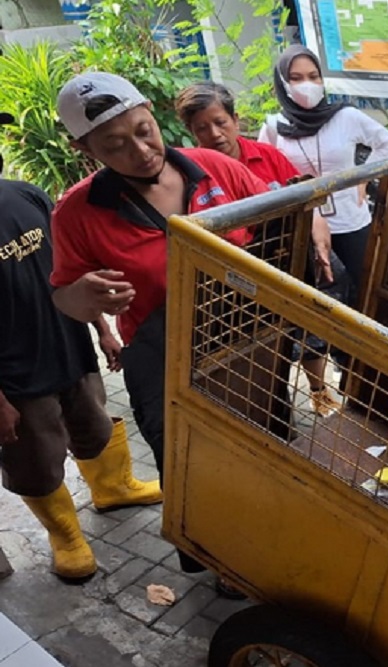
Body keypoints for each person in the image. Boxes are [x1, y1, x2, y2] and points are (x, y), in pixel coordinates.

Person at [48, 72, 272, 579]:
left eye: (144, 129)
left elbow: (280, 212)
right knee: (190, 461)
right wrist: (83, 298)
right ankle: (222, 562)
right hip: (163, 351)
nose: (141, 150)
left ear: (152, 111)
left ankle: (267, 537)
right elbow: (65, 296)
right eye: (116, 145)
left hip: (247, 333)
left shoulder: (213, 168)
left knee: (262, 445)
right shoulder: (77, 214)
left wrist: (318, 229)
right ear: (86, 149)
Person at [0, 108, 161, 580]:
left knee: (93, 424)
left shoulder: (25, 194)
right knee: (37, 459)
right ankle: (65, 536)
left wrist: (104, 328)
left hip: (69, 348)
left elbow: (68, 274)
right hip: (15, 377)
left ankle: (114, 488)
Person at [175, 81, 346, 416]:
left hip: (287, 260)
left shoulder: (266, 155)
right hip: (240, 278)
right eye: (202, 128)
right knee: (264, 345)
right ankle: (273, 405)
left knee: (314, 320)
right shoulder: (192, 173)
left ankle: (319, 390)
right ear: (191, 132)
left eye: (220, 122)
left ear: (236, 120)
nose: (215, 134)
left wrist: (317, 224)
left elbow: (304, 196)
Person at [259, 45, 388, 312]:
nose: (308, 85)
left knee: (366, 289)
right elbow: (266, 173)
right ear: (283, 83)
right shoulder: (274, 128)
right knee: (320, 301)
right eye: (296, 78)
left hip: (351, 220)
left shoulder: (345, 117)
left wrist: (363, 179)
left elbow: (386, 143)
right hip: (305, 227)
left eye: (314, 76)